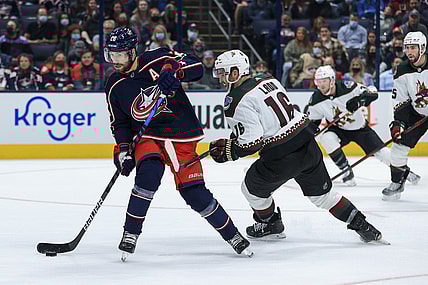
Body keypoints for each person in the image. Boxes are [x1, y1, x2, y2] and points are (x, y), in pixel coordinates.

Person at [103, 27, 252, 259]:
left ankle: (232, 235)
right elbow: (119, 124)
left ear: (133, 52)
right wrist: (123, 150)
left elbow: (197, 67)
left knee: (194, 193)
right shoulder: (113, 85)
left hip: (180, 132)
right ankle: (130, 233)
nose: (116, 60)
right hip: (147, 136)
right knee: (149, 173)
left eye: (120, 55)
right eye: (112, 55)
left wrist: (175, 72)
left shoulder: (158, 58)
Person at [209, 49, 385, 244]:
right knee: (324, 197)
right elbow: (268, 119)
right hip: (306, 142)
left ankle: (270, 223)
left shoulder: (234, 101)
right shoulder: (269, 80)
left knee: (250, 189)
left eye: (224, 73)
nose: (221, 78)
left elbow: (252, 142)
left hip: (280, 156)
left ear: (235, 73)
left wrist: (229, 152)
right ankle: (364, 226)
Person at [308, 65, 420, 186]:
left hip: (360, 129)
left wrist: (359, 101)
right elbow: (313, 123)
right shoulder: (316, 100)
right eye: (318, 81)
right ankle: (346, 171)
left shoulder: (348, 87)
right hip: (339, 129)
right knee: (326, 138)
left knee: (381, 153)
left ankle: (405, 172)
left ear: (332, 80)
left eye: (324, 81)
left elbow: (372, 92)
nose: (321, 85)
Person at [382, 31, 428, 200]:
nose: (409, 51)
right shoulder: (402, 69)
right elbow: (400, 99)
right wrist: (398, 123)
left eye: (413, 48)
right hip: (418, 113)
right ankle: (397, 182)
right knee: (399, 146)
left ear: (422, 48)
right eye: (407, 48)